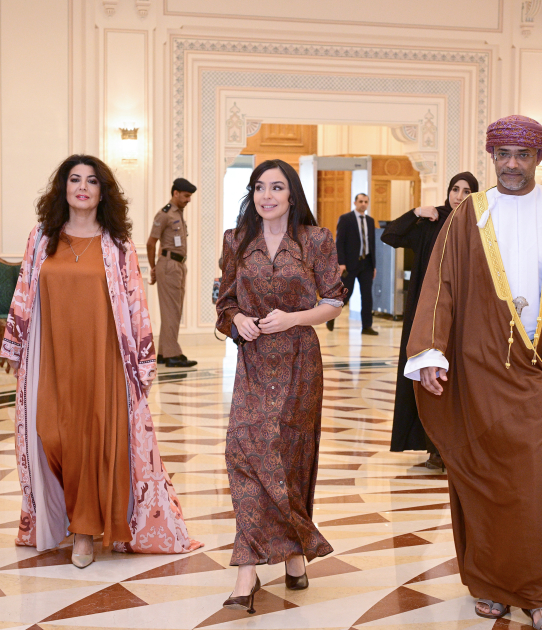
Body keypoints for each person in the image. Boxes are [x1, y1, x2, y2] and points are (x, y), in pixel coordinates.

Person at [404, 116, 542, 630]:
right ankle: (491, 584)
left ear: (540, 157)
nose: (512, 165)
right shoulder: (468, 214)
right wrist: (431, 352)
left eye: (523, 155)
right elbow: (442, 284)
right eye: (503, 155)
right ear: (492, 156)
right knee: (486, 481)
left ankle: (540, 591)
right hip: (480, 372)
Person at [1, 155, 201, 568]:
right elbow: (24, 288)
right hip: (51, 355)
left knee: (92, 441)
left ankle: (85, 531)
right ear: (62, 188)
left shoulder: (117, 244)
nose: (82, 187)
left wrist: (143, 360)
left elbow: (136, 302)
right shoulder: (41, 238)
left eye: (91, 181)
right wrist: (15, 344)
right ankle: (62, 518)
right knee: (50, 433)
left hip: (103, 357)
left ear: (102, 192)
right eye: (74, 179)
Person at [216, 159, 345, 614]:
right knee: (245, 452)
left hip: (299, 361)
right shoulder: (236, 240)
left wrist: (293, 319)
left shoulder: (315, 240)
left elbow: (334, 300)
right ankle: (246, 573)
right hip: (253, 363)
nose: (266, 196)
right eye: (259, 187)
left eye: (276, 187)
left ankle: (293, 555)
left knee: (290, 459)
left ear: (292, 195)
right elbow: (224, 301)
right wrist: (236, 320)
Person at [381, 172, 479, 470]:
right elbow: (390, 235)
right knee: (428, 377)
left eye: (466, 191)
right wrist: (416, 212)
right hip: (427, 314)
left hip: (465, 315)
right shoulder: (432, 223)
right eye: (455, 189)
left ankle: (460, 448)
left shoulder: (480, 226)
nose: (459, 196)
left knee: (459, 381)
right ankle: (434, 448)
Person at [147, 178, 198, 368]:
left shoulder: (178, 214)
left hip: (178, 265)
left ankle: (163, 352)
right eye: (186, 196)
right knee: (171, 311)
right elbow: (151, 243)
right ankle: (172, 354)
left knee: (173, 310)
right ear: (175, 193)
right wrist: (153, 268)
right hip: (169, 265)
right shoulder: (164, 214)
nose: (188, 199)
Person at [330, 193, 378, 334]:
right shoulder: (346, 219)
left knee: (367, 296)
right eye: (361, 201)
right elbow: (339, 242)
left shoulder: (370, 221)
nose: (363, 204)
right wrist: (341, 263)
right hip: (350, 264)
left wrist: (374, 265)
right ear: (355, 203)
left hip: (367, 263)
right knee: (346, 294)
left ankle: (367, 326)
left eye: (366, 202)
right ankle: (330, 316)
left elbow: (372, 244)